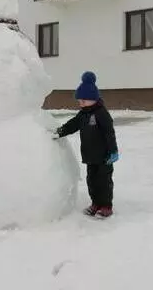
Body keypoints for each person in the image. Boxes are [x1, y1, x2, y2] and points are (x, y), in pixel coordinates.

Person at [52, 71, 119, 217]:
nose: (81, 102)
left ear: (93, 99)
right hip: (90, 156)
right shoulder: (82, 115)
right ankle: (95, 203)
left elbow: (109, 133)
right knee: (92, 181)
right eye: (79, 100)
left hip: (104, 157)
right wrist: (60, 131)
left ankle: (106, 205)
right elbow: (72, 125)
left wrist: (113, 151)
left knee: (104, 182)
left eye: (84, 99)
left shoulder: (101, 113)